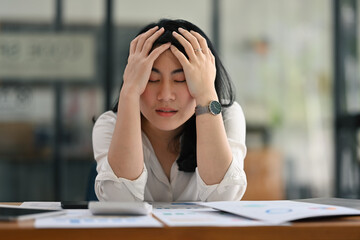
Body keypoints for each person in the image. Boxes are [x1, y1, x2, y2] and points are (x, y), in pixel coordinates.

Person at [92, 19, 247, 202]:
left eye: (181, 79)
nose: (165, 95)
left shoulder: (227, 116)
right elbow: (118, 200)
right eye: (152, 79)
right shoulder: (109, 125)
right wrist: (129, 92)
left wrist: (206, 94)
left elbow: (224, 198)